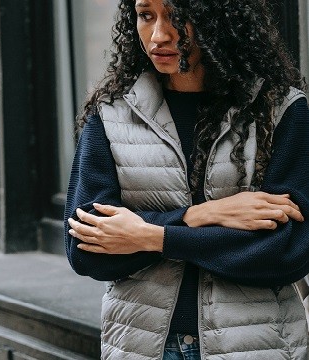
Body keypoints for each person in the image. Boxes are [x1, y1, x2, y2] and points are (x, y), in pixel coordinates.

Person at [64, 0, 309, 359]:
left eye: (180, 18)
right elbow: (85, 249)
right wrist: (201, 216)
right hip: (142, 347)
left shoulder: (277, 109)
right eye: (146, 16)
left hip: (255, 345)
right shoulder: (111, 114)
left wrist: (149, 236)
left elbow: (288, 251)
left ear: (220, 19)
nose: (159, 35)